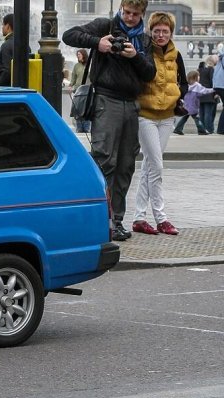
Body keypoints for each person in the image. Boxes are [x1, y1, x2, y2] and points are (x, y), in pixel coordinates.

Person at [62, 0, 156, 241]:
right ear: (121, 9)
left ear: (143, 14)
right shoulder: (105, 26)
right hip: (107, 100)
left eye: (135, 14)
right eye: (127, 12)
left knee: (126, 165)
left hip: (131, 104)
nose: (130, 17)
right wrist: (99, 43)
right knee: (104, 161)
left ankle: (116, 221)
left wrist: (134, 56)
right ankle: (98, 220)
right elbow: (68, 35)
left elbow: (150, 73)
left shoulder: (144, 40)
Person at [133, 11, 186, 238]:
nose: (161, 35)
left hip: (167, 116)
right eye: (157, 31)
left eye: (165, 31)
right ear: (150, 31)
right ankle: (161, 218)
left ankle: (139, 218)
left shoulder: (176, 55)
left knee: (149, 166)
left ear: (171, 33)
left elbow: (183, 81)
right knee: (156, 166)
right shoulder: (144, 51)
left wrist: (178, 95)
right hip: (146, 115)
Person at [174, 70, 214, 135]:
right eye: (198, 76)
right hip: (193, 106)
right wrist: (213, 89)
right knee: (197, 119)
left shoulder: (186, 85)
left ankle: (177, 129)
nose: (199, 77)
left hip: (186, 106)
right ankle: (201, 131)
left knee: (184, 118)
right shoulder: (197, 85)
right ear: (195, 77)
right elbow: (205, 91)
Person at [70, 48, 91, 133]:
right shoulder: (76, 66)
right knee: (78, 110)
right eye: (77, 55)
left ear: (84, 55)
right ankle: (79, 128)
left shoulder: (89, 65)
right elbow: (73, 77)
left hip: (87, 90)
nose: (78, 56)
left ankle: (86, 128)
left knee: (86, 109)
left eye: (79, 54)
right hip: (77, 90)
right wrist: (71, 85)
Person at [199, 55, 218, 133]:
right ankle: (209, 129)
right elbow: (213, 82)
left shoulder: (200, 69)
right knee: (208, 113)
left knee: (201, 113)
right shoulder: (211, 69)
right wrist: (216, 92)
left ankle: (202, 130)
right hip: (209, 94)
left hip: (200, 94)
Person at [212, 52, 224, 134]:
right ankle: (221, 129)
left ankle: (221, 129)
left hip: (218, 85)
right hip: (222, 85)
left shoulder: (220, 58)